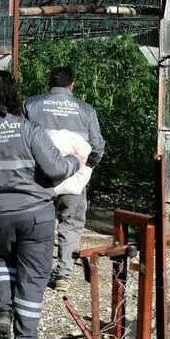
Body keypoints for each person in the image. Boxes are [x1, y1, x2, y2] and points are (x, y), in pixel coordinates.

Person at [0, 71, 82, 339]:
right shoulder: (29, 129)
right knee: (33, 273)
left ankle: (4, 308)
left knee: (3, 257)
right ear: (14, 95)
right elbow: (55, 169)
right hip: (34, 213)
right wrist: (75, 162)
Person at [24, 66, 106, 290]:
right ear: (72, 85)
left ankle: (34, 270)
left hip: (39, 176)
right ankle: (63, 275)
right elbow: (97, 146)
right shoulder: (86, 110)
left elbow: (20, 140)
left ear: (49, 83)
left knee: (36, 221)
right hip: (73, 176)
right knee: (71, 223)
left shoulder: (30, 105)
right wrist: (86, 167)